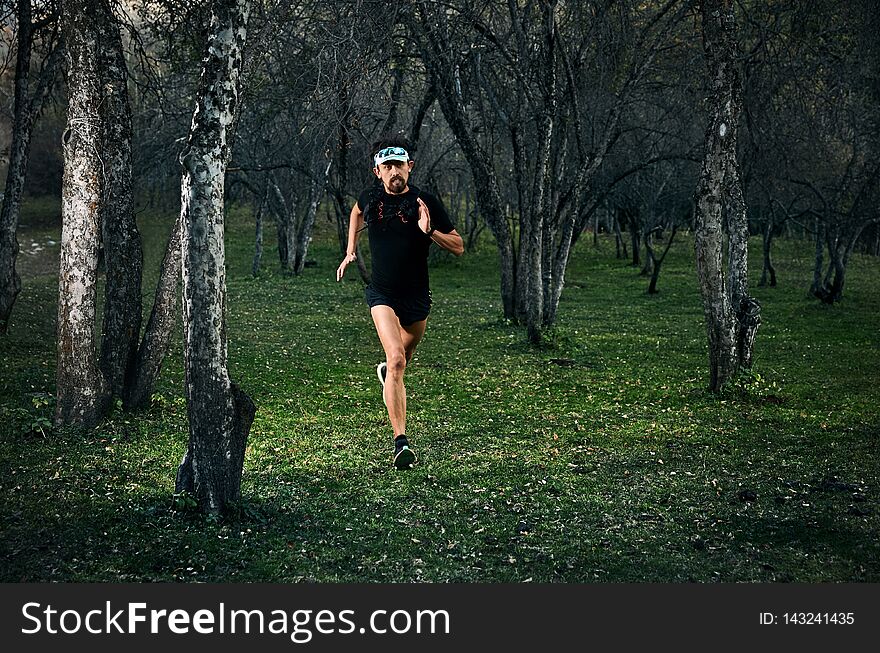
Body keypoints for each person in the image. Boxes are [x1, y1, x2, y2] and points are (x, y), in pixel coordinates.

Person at [336, 139, 464, 469]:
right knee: (396, 361)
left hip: (418, 299)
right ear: (377, 171)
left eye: (400, 164)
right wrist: (351, 249)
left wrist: (429, 229)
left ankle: (388, 372)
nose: (394, 171)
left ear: (410, 167)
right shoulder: (371, 197)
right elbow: (356, 212)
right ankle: (401, 444)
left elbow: (458, 246)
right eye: (387, 166)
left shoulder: (426, 202)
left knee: (402, 361)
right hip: (382, 295)